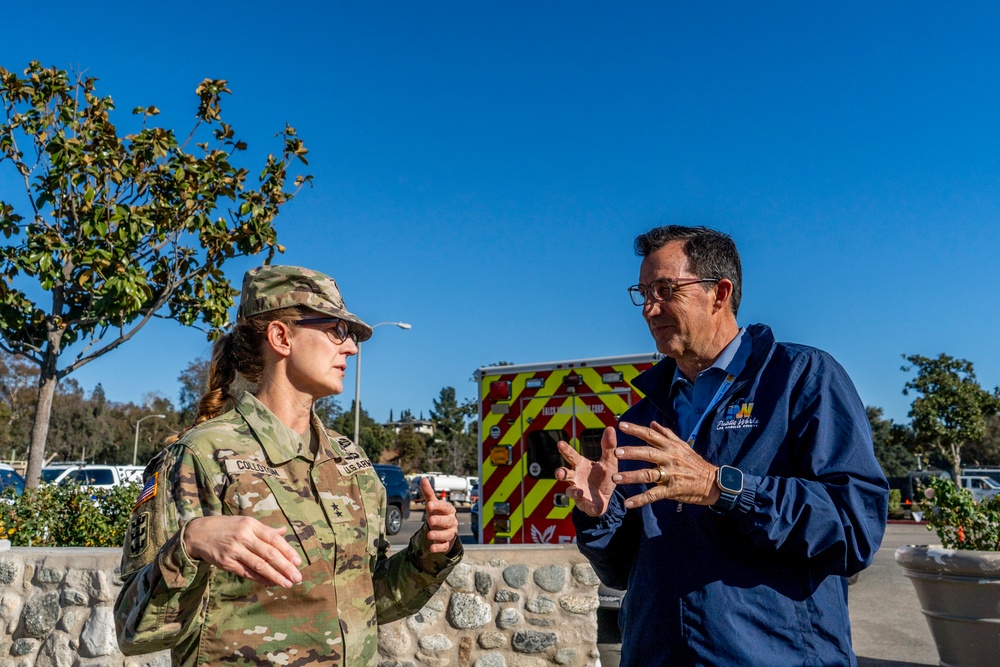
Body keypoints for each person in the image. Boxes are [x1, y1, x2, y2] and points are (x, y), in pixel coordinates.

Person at [556, 226, 888, 667]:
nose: (649, 308)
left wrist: (723, 487)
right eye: (643, 293)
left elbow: (853, 527)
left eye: (665, 289)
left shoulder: (801, 378)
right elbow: (620, 572)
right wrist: (600, 517)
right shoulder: (642, 417)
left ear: (720, 292)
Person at [114, 265, 463, 666]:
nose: (351, 348)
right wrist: (189, 546)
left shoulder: (350, 462)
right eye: (337, 331)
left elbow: (370, 600)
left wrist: (428, 553)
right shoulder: (200, 456)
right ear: (281, 337)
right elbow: (132, 632)